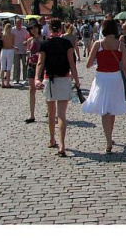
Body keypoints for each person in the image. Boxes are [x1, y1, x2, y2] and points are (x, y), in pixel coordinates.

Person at [82, 19, 126, 154]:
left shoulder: (98, 44)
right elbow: (125, 67)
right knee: (112, 107)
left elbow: (88, 64)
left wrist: (97, 58)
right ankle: (110, 136)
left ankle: (108, 139)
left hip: (102, 78)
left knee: (105, 109)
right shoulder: (121, 45)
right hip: (116, 77)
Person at [35, 18, 81, 157]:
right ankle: (62, 144)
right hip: (64, 78)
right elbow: (72, 63)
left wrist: (37, 78)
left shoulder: (44, 44)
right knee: (62, 115)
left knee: (51, 113)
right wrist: (77, 79)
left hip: (49, 79)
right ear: (60, 29)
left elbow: (40, 62)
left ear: (49, 29)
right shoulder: (66, 43)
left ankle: (51, 139)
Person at [24, 23, 42, 124]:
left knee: (44, 88)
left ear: (38, 28)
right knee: (31, 90)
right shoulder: (29, 41)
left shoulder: (43, 39)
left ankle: (50, 110)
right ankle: (32, 114)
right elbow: (28, 52)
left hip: (42, 66)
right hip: (31, 65)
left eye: (35, 28)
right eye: (31, 28)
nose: (33, 30)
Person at [12, 19, 29, 85]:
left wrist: (27, 42)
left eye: (20, 23)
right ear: (15, 23)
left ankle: (25, 78)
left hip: (24, 50)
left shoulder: (25, 29)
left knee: (25, 65)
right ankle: (16, 79)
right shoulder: (13, 30)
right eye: (17, 23)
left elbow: (28, 37)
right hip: (16, 50)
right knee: (16, 65)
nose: (19, 24)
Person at [0, 23, 16, 88]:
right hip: (10, 50)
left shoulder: (2, 35)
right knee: (9, 68)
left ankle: (2, 83)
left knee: (2, 68)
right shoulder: (12, 35)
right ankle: (7, 83)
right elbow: (13, 44)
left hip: (3, 50)